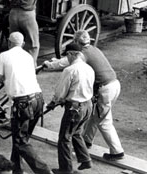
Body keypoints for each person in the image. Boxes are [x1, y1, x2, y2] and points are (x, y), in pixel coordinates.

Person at [43, 30, 124, 160]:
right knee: (95, 115)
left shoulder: (82, 53)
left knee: (104, 121)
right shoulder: (94, 49)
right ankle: (86, 141)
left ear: (76, 42)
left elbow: (65, 62)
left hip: (105, 88)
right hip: (114, 84)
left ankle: (117, 151)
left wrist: (49, 64)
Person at [0, 32, 52, 174]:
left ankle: (45, 172)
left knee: (21, 142)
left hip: (23, 103)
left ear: (9, 43)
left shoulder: (4, 56)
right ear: (22, 44)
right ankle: (16, 169)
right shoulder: (28, 56)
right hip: (38, 99)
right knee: (20, 138)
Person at [47, 43, 94, 174]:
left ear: (70, 54)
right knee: (77, 132)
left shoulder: (70, 70)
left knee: (64, 138)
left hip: (75, 108)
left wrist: (53, 102)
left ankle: (65, 169)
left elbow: (61, 92)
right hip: (88, 105)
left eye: (67, 56)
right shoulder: (89, 68)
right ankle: (85, 159)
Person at [0, 0, 54, 65]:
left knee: (14, 41)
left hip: (13, 15)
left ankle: (13, 64)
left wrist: (8, 4)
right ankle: (31, 66)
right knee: (33, 43)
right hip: (28, 16)